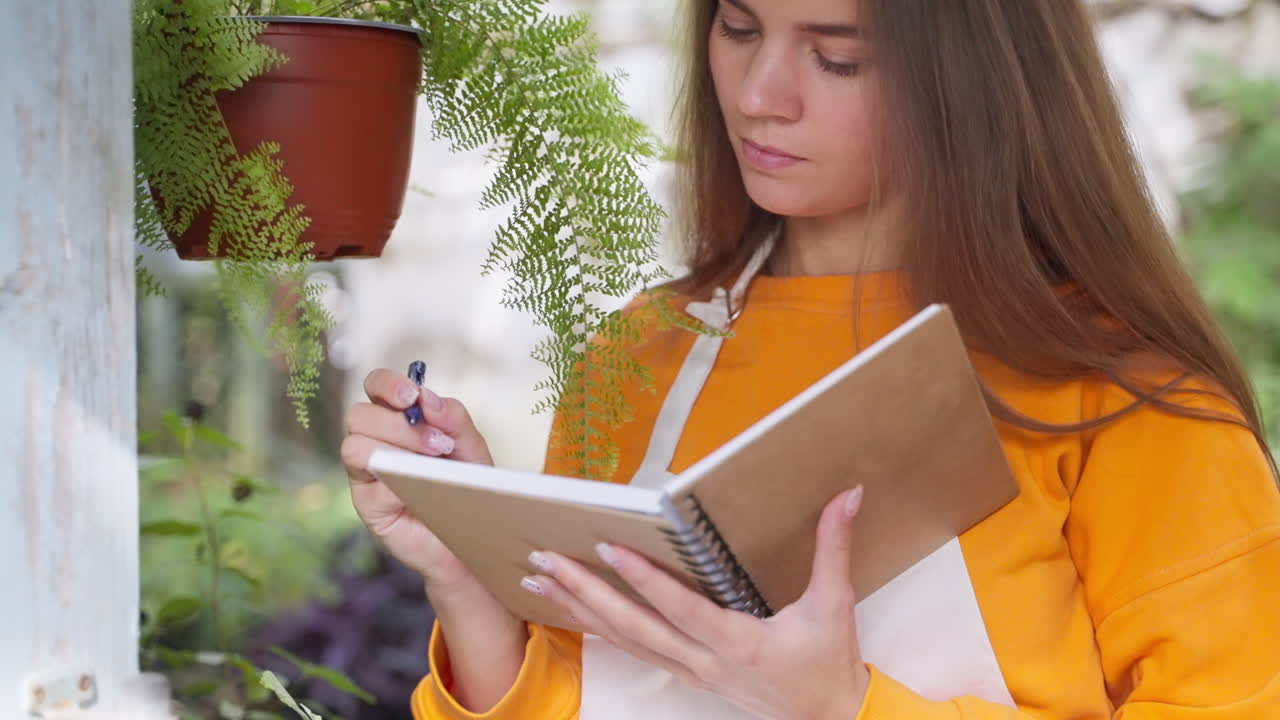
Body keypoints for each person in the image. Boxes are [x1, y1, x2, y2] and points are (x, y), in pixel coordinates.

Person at [340, 0, 1280, 717]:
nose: (759, 96)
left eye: (837, 57)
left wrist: (844, 704)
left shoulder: (1126, 396)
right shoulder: (641, 350)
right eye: (739, 29)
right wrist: (467, 574)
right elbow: (576, 695)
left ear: (977, 82)